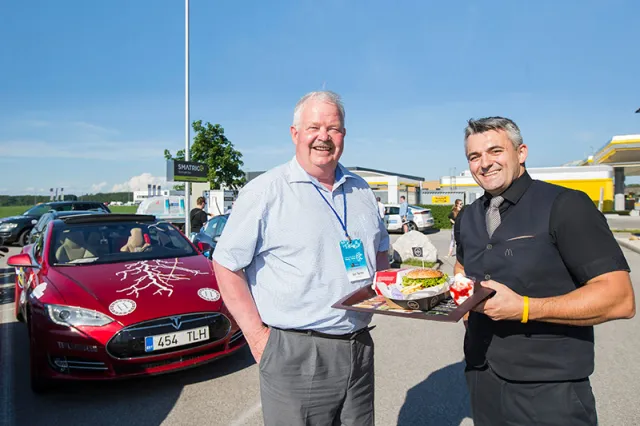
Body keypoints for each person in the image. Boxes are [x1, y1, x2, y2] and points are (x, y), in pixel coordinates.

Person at [212, 91, 390, 426]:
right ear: (295, 134)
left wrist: (390, 294)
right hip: (296, 351)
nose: (324, 137)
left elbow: (380, 249)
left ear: (344, 136)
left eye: (333, 128)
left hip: (358, 345)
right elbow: (225, 264)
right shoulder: (267, 191)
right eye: (314, 127)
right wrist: (258, 338)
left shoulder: (361, 190)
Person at [453, 116, 635, 425]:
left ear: (520, 153)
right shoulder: (468, 217)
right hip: (482, 376)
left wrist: (524, 308)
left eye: (495, 151)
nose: (484, 163)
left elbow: (619, 298)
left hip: (550, 389)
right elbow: (462, 268)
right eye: (474, 156)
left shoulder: (566, 206)